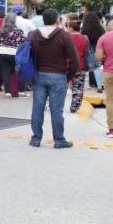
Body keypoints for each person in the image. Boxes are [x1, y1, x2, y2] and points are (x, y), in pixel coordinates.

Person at [29, 8, 80, 148]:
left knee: (37, 108)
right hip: (58, 76)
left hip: (39, 74)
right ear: (57, 20)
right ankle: (59, 140)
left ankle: (36, 138)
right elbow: (75, 60)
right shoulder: (64, 35)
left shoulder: (34, 34)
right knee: (56, 110)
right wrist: (68, 76)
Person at [0, 12, 26, 98]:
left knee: (5, 72)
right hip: (15, 53)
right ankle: (21, 90)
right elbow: (23, 41)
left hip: (2, 52)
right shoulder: (19, 31)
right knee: (19, 71)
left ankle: (8, 92)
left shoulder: (0, 30)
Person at [66, 18, 89, 113]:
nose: (67, 29)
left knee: (61, 86)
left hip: (67, 65)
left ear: (71, 28)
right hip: (80, 65)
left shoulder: (66, 37)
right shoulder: (84, 38)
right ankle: (74, 107)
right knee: (78, 87)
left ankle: (54, 105)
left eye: (68, 27)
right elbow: (87, 51)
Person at [81, 11, 105, 91]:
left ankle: (89, 83)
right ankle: (99, 85)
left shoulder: (84, 28)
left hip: (88, 49)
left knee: (88, 67)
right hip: (98, 48)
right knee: (97, 67)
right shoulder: (100, 29)